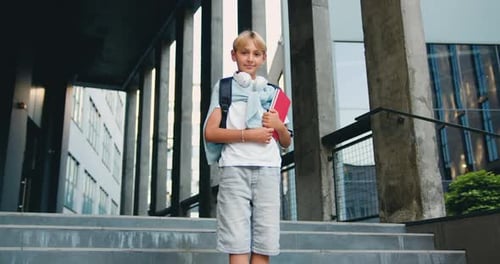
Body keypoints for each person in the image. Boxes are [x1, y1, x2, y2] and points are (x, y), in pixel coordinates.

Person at [203, 30, 292, 264]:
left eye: (256, 53)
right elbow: (210, 132)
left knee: (265, 241)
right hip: (235, 169)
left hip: (268, 170)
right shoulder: (224, 89)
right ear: (234, 56)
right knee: (237, 242)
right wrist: (247, 135)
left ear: (263, 58)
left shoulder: (274, 93)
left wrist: (279, 126)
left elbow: (286, 141)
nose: (250, 58)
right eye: (244, 53)